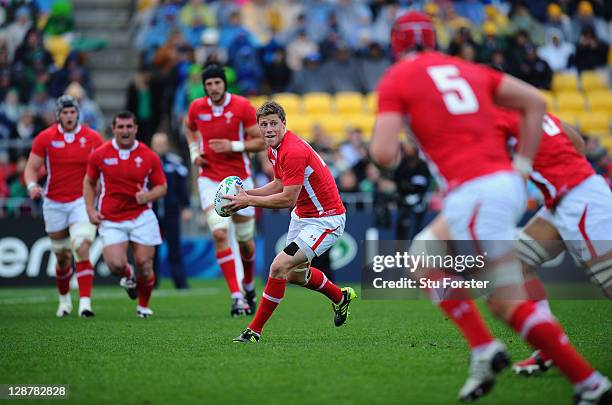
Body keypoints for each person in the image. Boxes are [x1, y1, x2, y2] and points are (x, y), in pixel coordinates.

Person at [369, 11, 610, 403]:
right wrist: (525, 166)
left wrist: (402, 159)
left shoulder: (403, 79)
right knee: (426, 255)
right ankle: (495, 348)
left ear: (394, 43)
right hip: (536, 193)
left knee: (504, 297)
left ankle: (588, 382)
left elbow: (384, 153)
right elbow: (569, 135)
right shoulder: (470, 73)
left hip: (537, 194)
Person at [492, 110, 612, 376]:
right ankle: (549, 345)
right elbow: (578, 144)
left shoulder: (495, 119)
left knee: (608, 281)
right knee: (517, 260)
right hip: (567, 197)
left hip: (580, 201)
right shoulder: (530, 110)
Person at [226, 101, 356, 343]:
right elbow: (277, 184)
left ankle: (254, 330)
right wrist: (247, 195)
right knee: (295, 275)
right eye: (263, 125)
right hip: (303, 216)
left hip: (325, 220)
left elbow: (287, 198)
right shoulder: (273, 148)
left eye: (273, 123)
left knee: (277, 267)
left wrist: (249, 202)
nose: (268, 129)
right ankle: (341, 297)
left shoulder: (293, 151)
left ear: (284, 124)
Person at [184, 64, 265, 317]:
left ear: (224, 84)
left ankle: (249, 286)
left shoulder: (242, 106)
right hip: (209, 179)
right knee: (219, 234)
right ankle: (236, 297)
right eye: (209, 84)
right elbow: (189, 128)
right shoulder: (197, 107)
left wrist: (232, 144)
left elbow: (260, 141)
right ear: (204, 86)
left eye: (217, 83)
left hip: (239, 180)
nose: (213, 88)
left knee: (246, 243)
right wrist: (195, 152)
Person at [24, 95, 104, 318]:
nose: (69, 116)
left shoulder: (92, 137)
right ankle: (64, 301)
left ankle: (85, 304)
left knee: (82, 246)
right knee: (62, 257)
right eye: (65, 112)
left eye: (72, 112)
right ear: (58, 115)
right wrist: (32, 185)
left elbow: (105, 165)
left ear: (78, 114)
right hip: (54, 203)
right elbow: (31, 167)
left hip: (81, 201)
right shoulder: (46, 137)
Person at [83, 111, 167, 318]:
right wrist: (90, 210)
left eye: (129, 126)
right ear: (113, 129)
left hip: (141, 216)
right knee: (115, 265)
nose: (125, 131)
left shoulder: (149, 155)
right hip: (111, 217)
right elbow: (89, 182)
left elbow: (162, 187)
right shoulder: (100, 154)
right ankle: (128, 276)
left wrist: (147, 196)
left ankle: (143, 306)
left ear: (136, 129)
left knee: (145, 266)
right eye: (120, 127)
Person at [151, 132, 191, 290]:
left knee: (174, 248)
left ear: (167, 145)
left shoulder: (175, 163)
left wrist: (185, 206)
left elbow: (183, 187)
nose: (159, 146)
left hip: (171, 212)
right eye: (157, 143)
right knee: (151, 250)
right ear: (152, 144)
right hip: (151, 213)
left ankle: (180, 283)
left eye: (162, 143)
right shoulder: (145, 161)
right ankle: (151, 283)